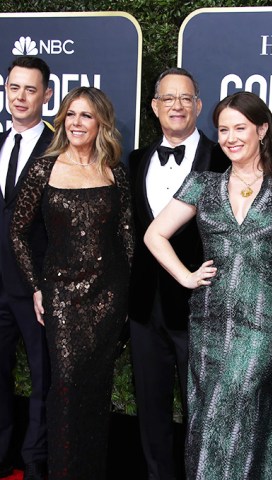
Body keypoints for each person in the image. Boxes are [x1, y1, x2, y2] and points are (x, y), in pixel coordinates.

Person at [128, 67, 272, 479]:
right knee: (170, 413)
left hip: (238, 314)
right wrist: (182, 275)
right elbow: (142, 233)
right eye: (168, 98)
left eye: (186, 98)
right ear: (155, 107)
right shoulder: (138, 161)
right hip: (164, 309)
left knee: (226, 409)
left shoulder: (239, 161)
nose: (177, 106)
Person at [10, 86, 135, 480]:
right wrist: (36, 286)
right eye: (71, 114)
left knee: (95, 393)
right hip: (61, 296)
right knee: (64, 389)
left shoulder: (115, 170)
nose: (77, 123)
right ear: (62, 119)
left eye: (87, 116)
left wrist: (127, 296)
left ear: (101, 123)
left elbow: (128, 236)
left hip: (108, 297)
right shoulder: (43, 168)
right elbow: (17, 232)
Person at [0, 56, 53, 480]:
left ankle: (35, 462)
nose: (20, 97)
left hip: (37, 288)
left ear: (46, 95)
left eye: (29, 89)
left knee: (43, 380)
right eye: (13, 87)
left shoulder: (59, 150)